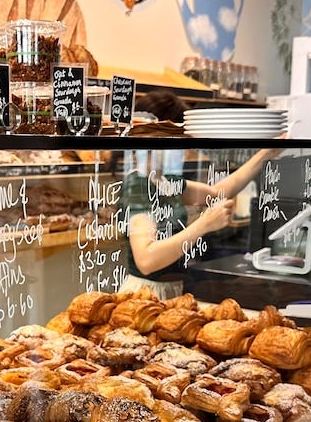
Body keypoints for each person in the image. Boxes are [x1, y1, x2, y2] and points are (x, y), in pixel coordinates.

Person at [119, 91, 283, 299]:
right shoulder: (138, 186)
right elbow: (146, 260)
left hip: (171, 291)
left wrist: (265, 154)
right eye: (180, 138)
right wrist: (204, 224)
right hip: (145, 296)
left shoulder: (164, 180)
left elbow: (217, 193)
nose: (184, 149)